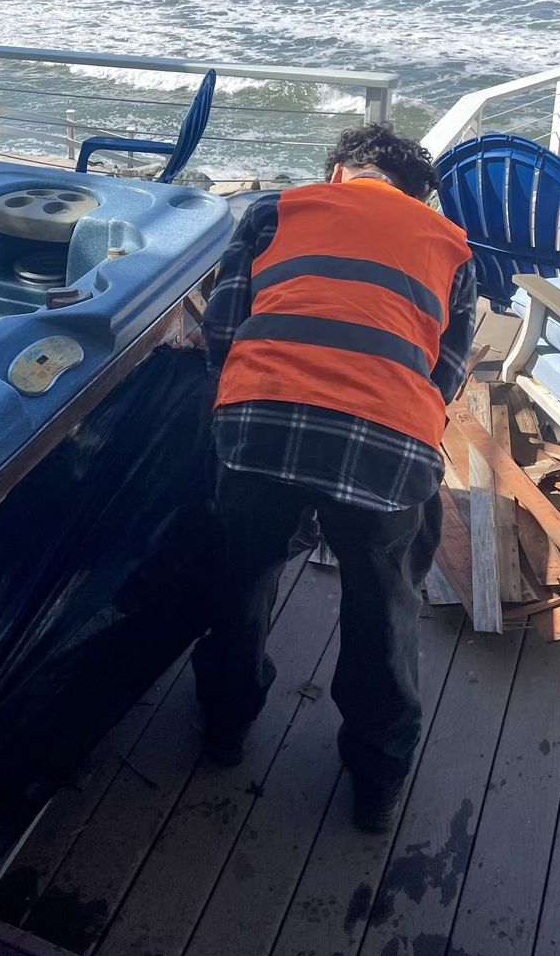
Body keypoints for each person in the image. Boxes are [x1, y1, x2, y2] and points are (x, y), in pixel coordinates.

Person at [192, 123, 476, 833]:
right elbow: (445, 375)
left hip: (260, 423)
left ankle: (225, 729)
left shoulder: (273, 211)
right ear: (416, 193)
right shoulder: (450, 248)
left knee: (240, 579)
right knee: (383, 607)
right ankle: (377, 783)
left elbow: (222, 333)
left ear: (339, 171)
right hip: (387, 445)